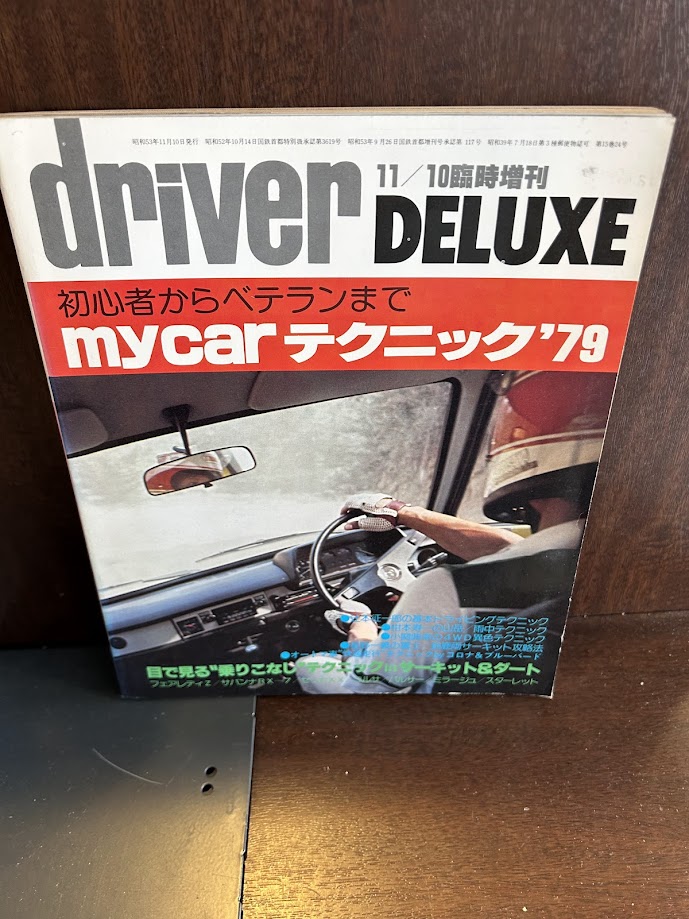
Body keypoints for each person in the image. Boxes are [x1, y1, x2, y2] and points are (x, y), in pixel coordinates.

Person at [295, 370, 617, 694]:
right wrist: (405, 513)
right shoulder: (611, 561)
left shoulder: (447, 590)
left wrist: (362, 629)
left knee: (310, 666)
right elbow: (516, 553)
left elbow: (364, 689)